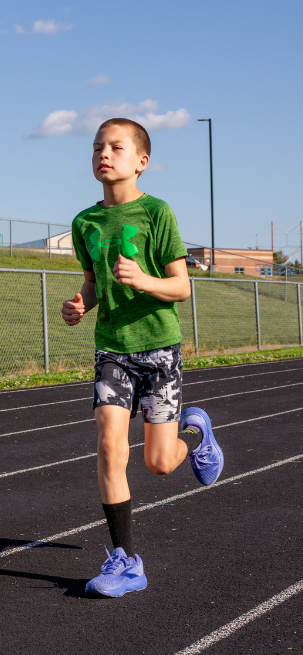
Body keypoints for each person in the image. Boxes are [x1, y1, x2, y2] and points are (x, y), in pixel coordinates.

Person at [62, 118, 224, 598]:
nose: (103, 154)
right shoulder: (84, 223)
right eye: (97, 147)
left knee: (158, 464)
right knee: (110, 444)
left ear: (141, 161)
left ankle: (193, 430)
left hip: (159, 350)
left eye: (115, 147)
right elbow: (94, 284)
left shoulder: (157, 213)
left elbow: (181, 287)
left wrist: (144, 281)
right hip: (112, 349)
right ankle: (125, 561)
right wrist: (80, 304)